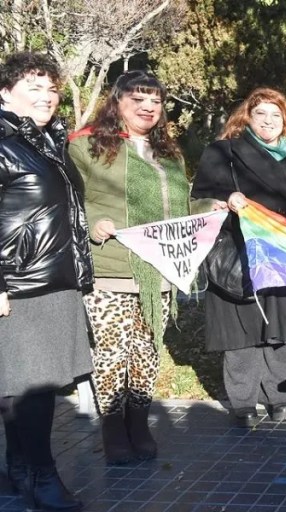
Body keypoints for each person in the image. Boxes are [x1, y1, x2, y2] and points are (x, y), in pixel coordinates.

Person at [68, 71, 189, 464]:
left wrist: (214, 208)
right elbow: (68, 200)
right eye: (138, 99)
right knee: (111, 353)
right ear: (116, 100)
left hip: (158, 270)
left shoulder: (168, 153)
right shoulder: (86, 145)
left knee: (147, 352)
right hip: (110, 268)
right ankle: (112, 428)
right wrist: (93, 224)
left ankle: (138, 422)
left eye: (155, 100)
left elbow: (181, 207)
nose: (148, 107)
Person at [0, 51, 92, 512]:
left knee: (25, 384)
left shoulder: (48, 142)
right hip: (19, 284)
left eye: (52, 88)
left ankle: (20, 469)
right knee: (30, 385)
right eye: (33, 87)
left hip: (55, 279)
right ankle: (43, 475)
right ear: (5, 93)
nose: (47, 96)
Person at [192, 88, 286, 428]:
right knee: (242, 329)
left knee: (282, 326)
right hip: (238, 252)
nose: (269, 121)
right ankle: (244, 401)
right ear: (247, 117)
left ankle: (278, 396)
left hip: (285, 254)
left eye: (276, 115)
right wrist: (225, 198)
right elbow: (200, 197)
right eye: (261, 114)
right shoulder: (223, 152)